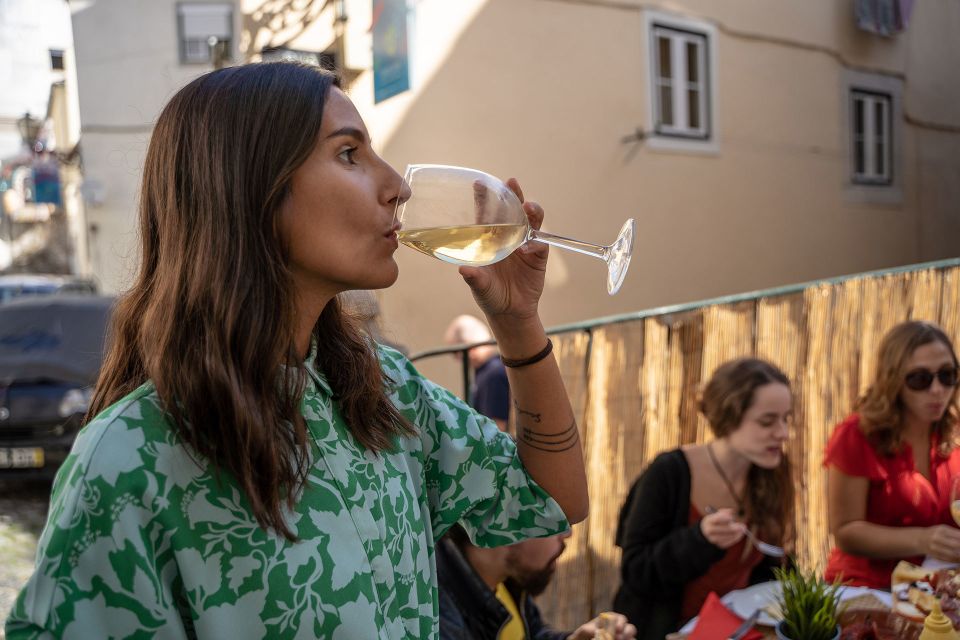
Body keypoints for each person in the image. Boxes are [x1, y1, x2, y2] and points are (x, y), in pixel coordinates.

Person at [6, 62, 588, 639]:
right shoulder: (126, 462)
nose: (399, 187)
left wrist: (517, 325)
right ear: (251, 188)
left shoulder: (384, 390)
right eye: (348, 153)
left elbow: (551, 501)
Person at [612, 358, 794, 640]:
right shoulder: (669, 473)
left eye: (786, 418)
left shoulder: (771, 471)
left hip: (742, 629)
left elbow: (770, 566)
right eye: (767, 421)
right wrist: (699, 540)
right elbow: (636, 572)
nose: (783, 433)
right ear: (728, 417)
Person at [824, 320, 960, 589]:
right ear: (893, 381)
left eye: (947, 375)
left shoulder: (953, 433)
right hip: (870, 590)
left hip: (938, 588)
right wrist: (922, 539)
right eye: (920, 379)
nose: (937, 390)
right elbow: (846, 532)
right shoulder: (858, 435)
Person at [438, 525, 636, 639]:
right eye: (553, 517)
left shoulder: (506, 582)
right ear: (504, 522)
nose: (567, 533)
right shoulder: (436, 611)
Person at [445, 314, 511, 430]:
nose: (457, 359)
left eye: (455, 352)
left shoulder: (492, 374)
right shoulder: (490, 370)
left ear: (469, 346)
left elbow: (497, 428)